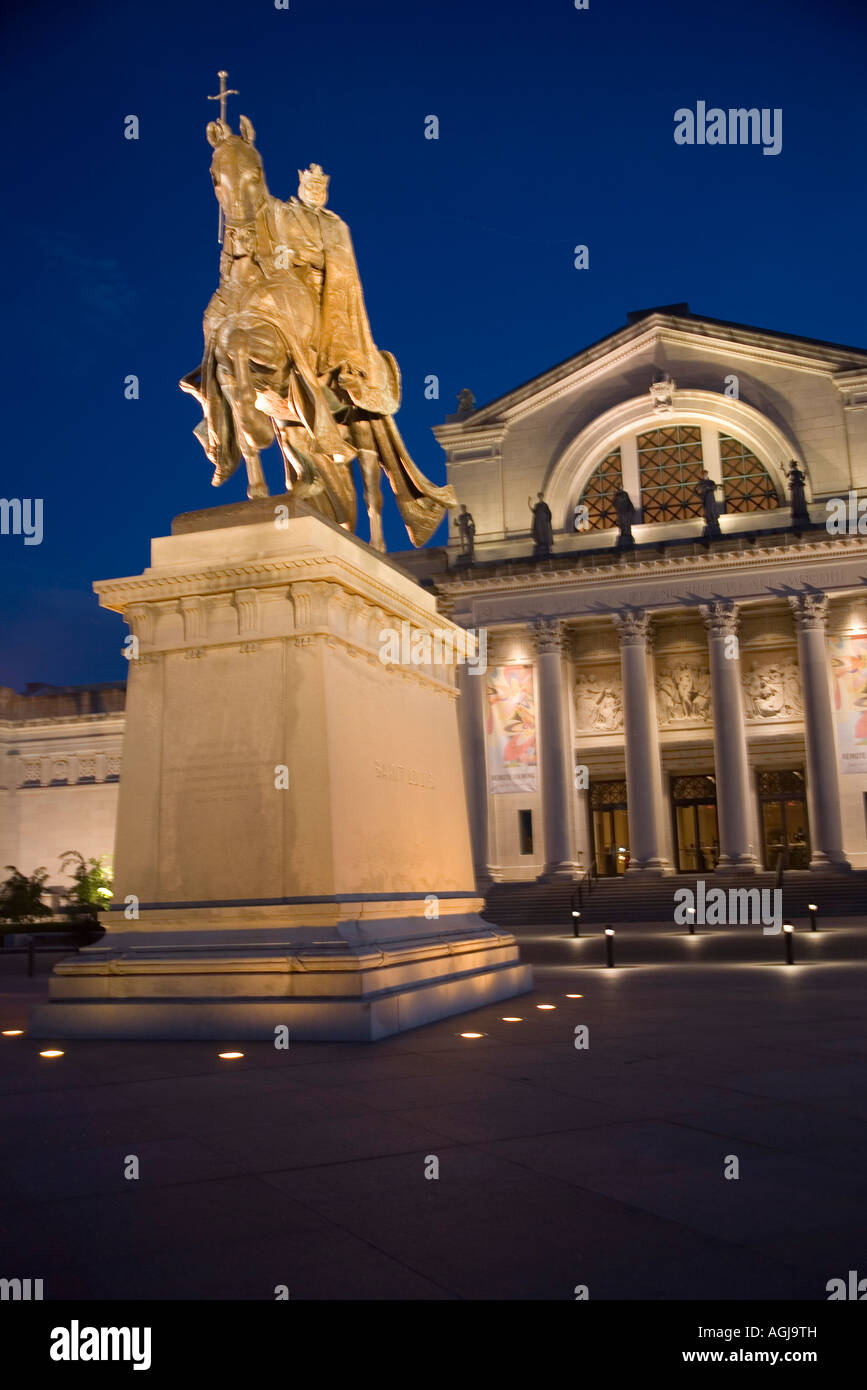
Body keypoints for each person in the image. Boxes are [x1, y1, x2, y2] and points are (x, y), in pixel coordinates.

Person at [528, 493, 554, 557]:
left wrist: (548, 519)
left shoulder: (545, 505)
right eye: (539, 496)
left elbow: (549, 513)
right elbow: (534, 511)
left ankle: (545, 545)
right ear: (538, 497)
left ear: (542, 497)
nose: (540, 497)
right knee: (540, 533)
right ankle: (541, 544)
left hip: (544, 522)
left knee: (544, 533)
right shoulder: (537, 505)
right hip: (539, 523)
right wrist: (529, 503)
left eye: (541, 496)